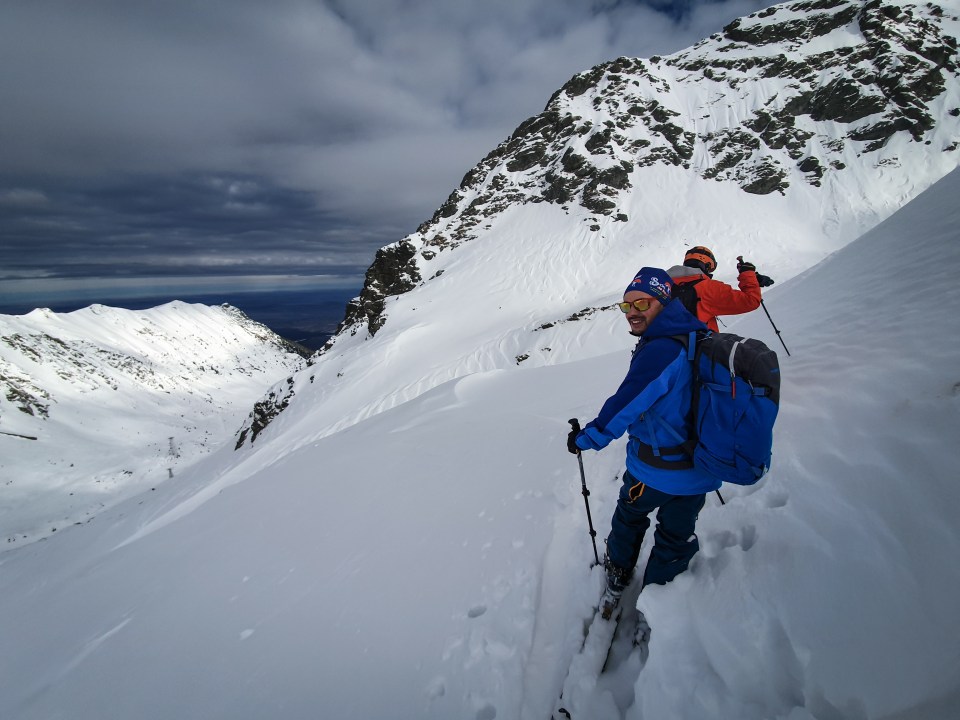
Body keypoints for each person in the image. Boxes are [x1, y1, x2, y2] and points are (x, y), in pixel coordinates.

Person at [567, 267, 716, 620]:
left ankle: (619, 573)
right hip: (703, 465)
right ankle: (659, 600)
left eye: (642, 303)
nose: (632, 312)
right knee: (676, 533)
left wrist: (587, 438)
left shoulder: (661, 349)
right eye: (627, 305)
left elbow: (627, 404)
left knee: (630, 515)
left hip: (656, 468)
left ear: (664, 301)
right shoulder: (697, 334)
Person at [668, 246, 774, 332]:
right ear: (707, 265)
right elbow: (751, 301)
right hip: (694, 349)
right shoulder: (708, 288)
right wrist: (748, 274)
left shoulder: (662, 284)